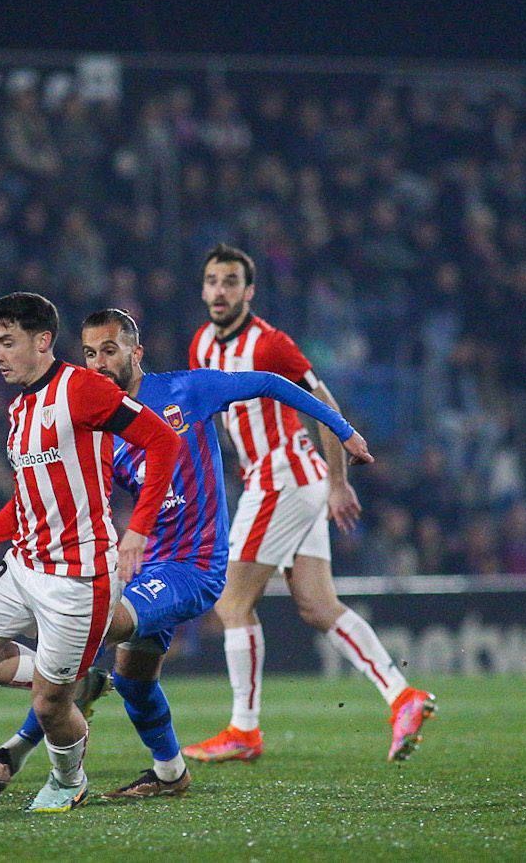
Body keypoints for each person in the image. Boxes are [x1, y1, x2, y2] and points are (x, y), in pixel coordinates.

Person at [0, 308, 372, 799]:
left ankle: (13, 752)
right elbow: (48, 499)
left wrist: (342, 430)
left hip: (193, 569)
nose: (98, 363)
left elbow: (268, 382)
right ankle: (171, 773)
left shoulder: (186, 392)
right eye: (90, 353)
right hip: (146, 568)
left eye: (110, 351)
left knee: (92, 627)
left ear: (136, 353)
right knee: (132, 681)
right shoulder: (101, 427)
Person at [0, 292, 182, 812]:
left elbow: (163, 442)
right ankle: (76, 682)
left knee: (48, 704)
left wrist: (138, 530)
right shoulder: (19, 407)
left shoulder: (82, 389)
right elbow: (28, 499)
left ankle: (69, 780)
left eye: (7, 342)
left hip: (78, 578)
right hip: (24, 563)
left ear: (42, 341)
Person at [182, 244, 435, 764]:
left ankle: (243, 731)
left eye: (231, 282)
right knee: (318, 606)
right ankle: (402, 696)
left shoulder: (270, 343)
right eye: (212, 281)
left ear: (249, 292)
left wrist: (339, 483)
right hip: (281, 479)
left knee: (231, 603)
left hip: (284, 477)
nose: (220, 291)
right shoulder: (202, 345)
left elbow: (324, 403)